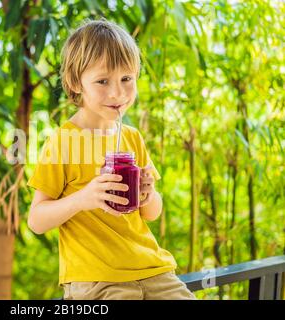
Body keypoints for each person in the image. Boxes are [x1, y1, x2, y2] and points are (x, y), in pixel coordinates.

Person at [27, 19, 196, 300]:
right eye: (102, 81)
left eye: (127, 79)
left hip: (154, 270)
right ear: (74, 83)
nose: (117, 93)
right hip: (97, 280)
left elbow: (151, 213)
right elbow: (36, 220)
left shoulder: (132, 138)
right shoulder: (63, 141)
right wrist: (84, 198)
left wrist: (148, 194)